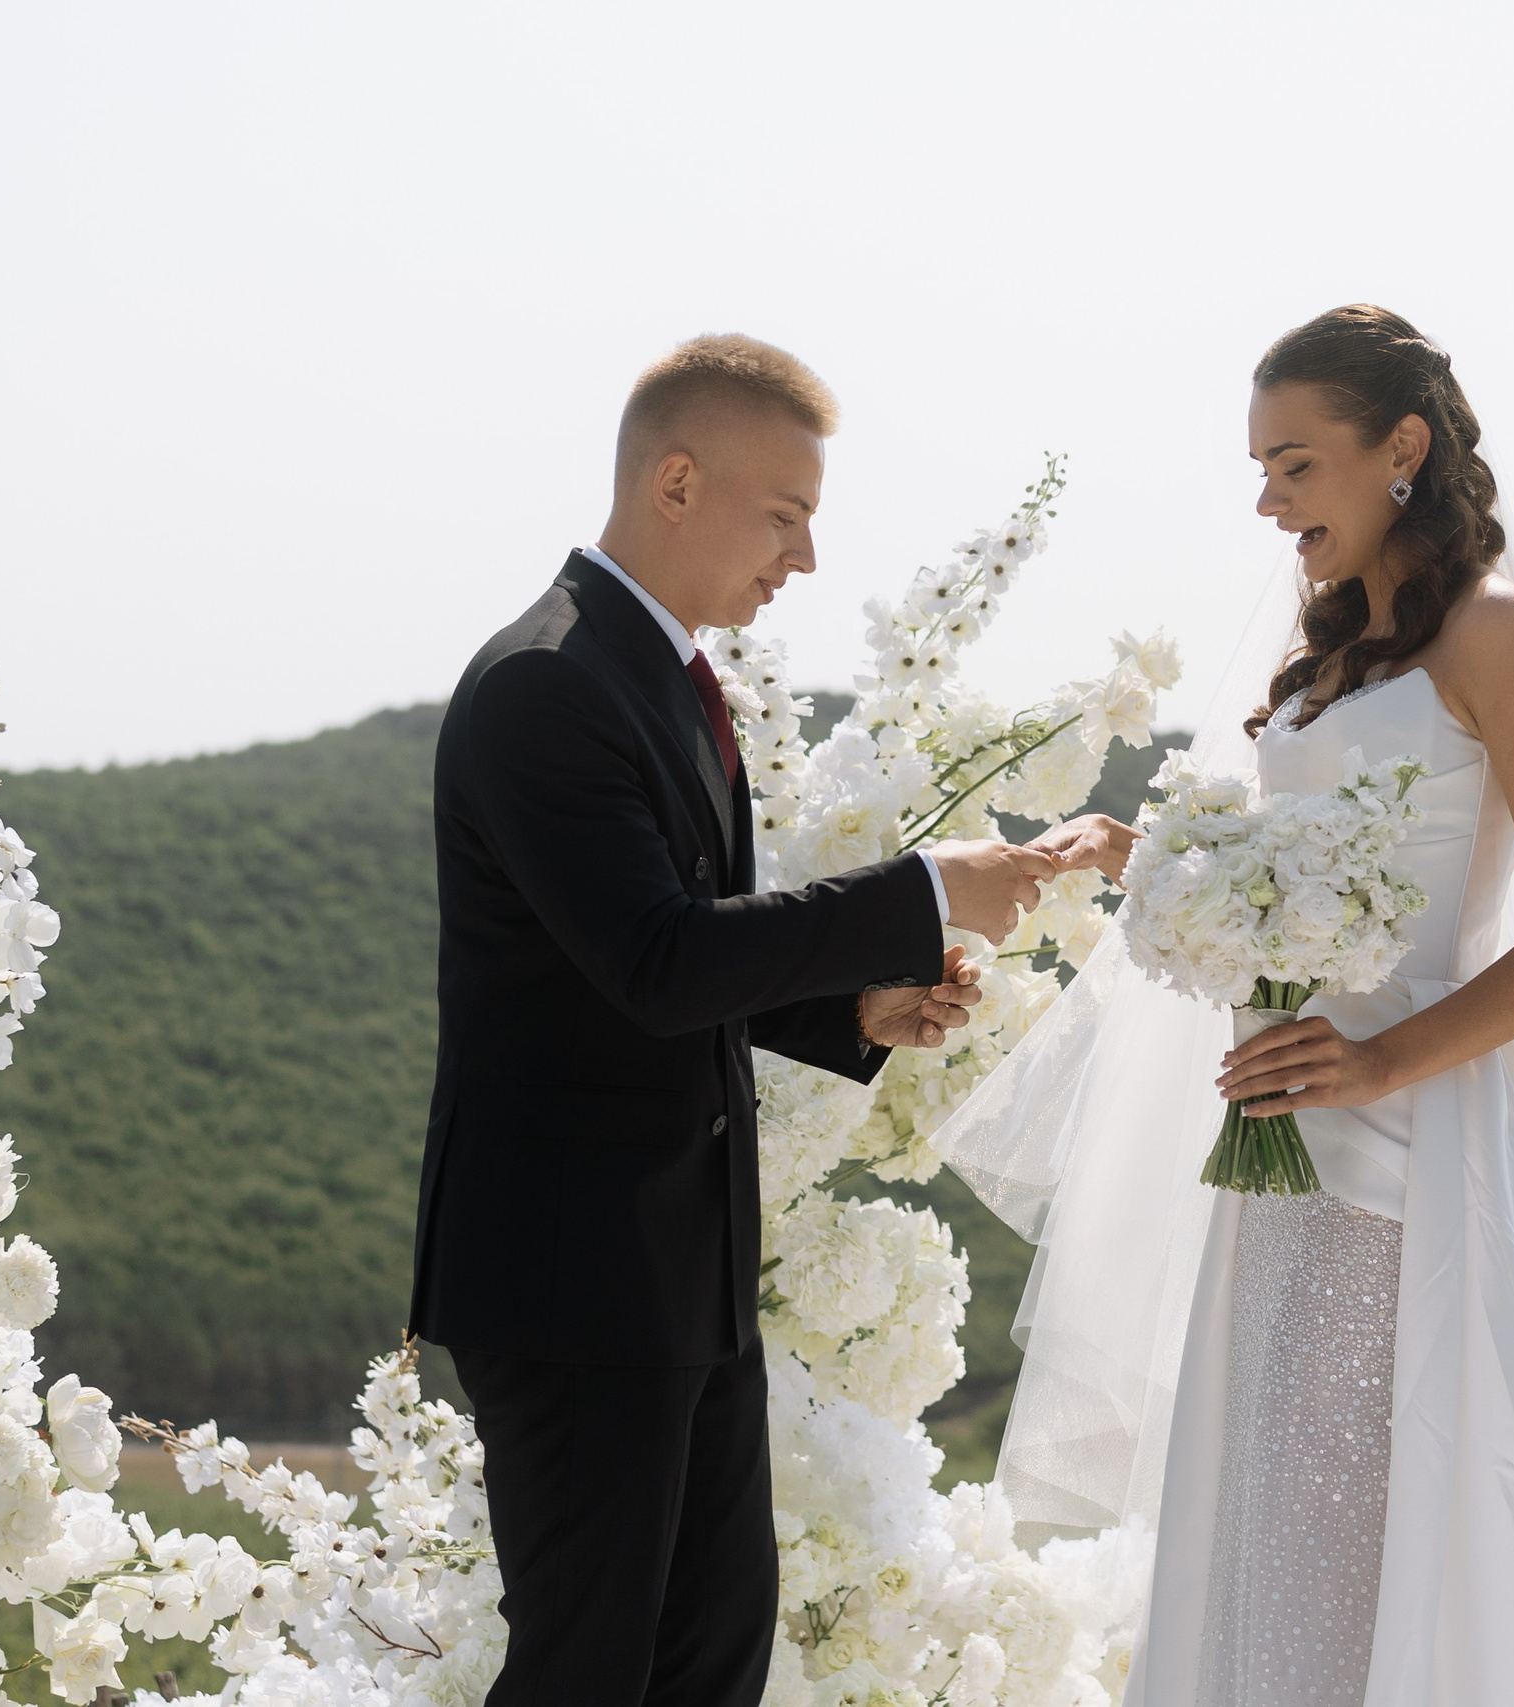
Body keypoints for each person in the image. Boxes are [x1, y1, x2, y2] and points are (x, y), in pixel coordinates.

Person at [947, 306, 1514, 1706]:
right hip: (1283, 1155)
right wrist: (1159, 872)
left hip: (1420, 1157)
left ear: (1401, 448)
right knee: (1273, 1527)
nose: (1267, 503)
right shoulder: (1334, 646)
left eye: (1294, 466)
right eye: (1262, 470)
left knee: (1365, 1540)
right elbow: (1311, 878)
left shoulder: (1495, 633)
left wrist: (1383, 1060)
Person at [407, 334, 1055, 1707]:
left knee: (709, 1667)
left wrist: (858, 1005)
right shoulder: (546, 687)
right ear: (679, 482)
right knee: (589, 1676)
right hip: (575, 1282)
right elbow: (655, 958)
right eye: (788, 516)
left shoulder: (661, 680)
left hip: (681, 1279)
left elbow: (668, 958)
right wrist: (931, 890)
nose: (805, 560)